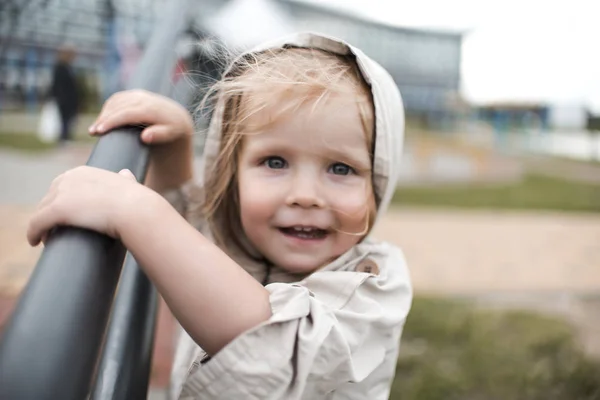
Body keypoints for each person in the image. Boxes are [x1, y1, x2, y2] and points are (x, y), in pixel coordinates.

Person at [27, 33, 412, 399]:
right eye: (275, 161)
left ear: (377, 181)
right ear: (233, 173)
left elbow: (273, 348)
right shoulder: (232, 234)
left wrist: (134, 209)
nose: (305, 196)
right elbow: (185, 224)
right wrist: (175, 149)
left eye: (341, 169)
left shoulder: (376, 284)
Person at [48, 46, 80, 144]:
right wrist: (58, 97)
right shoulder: (60, 68)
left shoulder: (68, 67)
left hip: (70, 99)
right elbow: (57, 84)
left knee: (69, 119)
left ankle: (66, 137)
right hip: (63, 99)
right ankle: (63, 138)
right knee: (64, 119)